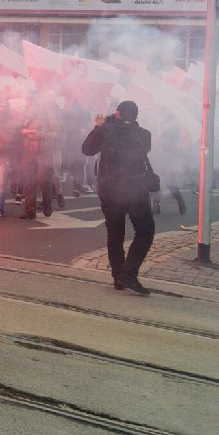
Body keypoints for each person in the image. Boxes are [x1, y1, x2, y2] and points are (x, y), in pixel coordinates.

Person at [82, 101, 155, 295]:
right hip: (135, 190)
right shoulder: (144, 134)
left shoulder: (105, 131)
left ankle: (118, 276)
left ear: (117, 113)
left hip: (109, 190)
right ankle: (128, 273)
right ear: (136, 116)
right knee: (145, 231)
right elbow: (143, 149)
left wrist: (99, 126)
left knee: (115, 233)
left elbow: (87, 150)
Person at [19, 98, 59, 220]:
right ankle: (29, 211)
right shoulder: (26, 116)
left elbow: (57, 132)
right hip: (29, 151)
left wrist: (42, 135)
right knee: (29, 182)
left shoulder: (48, 115)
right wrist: (23, 131)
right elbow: (19, 130)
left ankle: (47, 204)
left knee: (43, 180)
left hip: (44, 152)